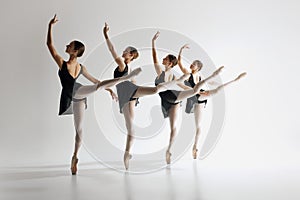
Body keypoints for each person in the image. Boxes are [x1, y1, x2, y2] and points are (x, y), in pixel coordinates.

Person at [46, 15, 141, 175]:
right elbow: (96, 81)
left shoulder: (64, 64)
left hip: (78, 92)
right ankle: (75, 157)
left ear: (74, 51)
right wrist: (109, 89)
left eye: (70, 45)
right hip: (76, 96)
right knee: (79, 129)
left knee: (94, 93)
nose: (67, 46)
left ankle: (75, 156)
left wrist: (50, 26)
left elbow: (49, 45)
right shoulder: (77, 66)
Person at [152, 31, 246, 164]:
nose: (192, 65)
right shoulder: (173, 73)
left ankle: (182, 149)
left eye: (194, 64)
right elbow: (166, 61)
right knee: (177, 123)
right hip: (180, 97)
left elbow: (188, 87)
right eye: (192, 64)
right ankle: (171, 150)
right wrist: (173, 48)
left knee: (188, 125)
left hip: (186, 98)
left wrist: (200, 92)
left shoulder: (186, 77)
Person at [103, 23, 188, 170]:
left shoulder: (125, 66)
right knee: (153, 94)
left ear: (130, 55)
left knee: (132, 128)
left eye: (126, 51)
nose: (123, 52)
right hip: (130, 93)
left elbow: (112, 50)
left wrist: (106, 34)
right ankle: (127, 154)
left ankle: (127, 153)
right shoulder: (126, 66)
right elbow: (113, 52)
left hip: (129, 95)